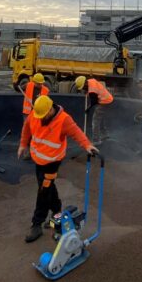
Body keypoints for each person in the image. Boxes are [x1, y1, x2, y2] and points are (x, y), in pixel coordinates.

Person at [18, 95, 98, 243]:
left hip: (53, 161)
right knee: (48, 189)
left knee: (43, 190)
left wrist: (87, 145)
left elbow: (76, 132)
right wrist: (23, 145)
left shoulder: (63, 120)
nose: (41, 118)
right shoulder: (36, 113)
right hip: (39, 160)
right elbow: (27, 129)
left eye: (44, 115)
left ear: (50, 109)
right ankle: (57, 213)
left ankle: (37, 224)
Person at [74, 75, 113, 143]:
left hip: (104, 101)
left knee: (95, 120)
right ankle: (105, 135)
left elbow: (94, 102)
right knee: (100, 118)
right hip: (108, 98)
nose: (83, 89)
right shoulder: (91, 81)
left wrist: (88, 109)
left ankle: (96, 140)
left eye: (83, 87)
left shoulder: (92, 90)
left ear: (85, 83)